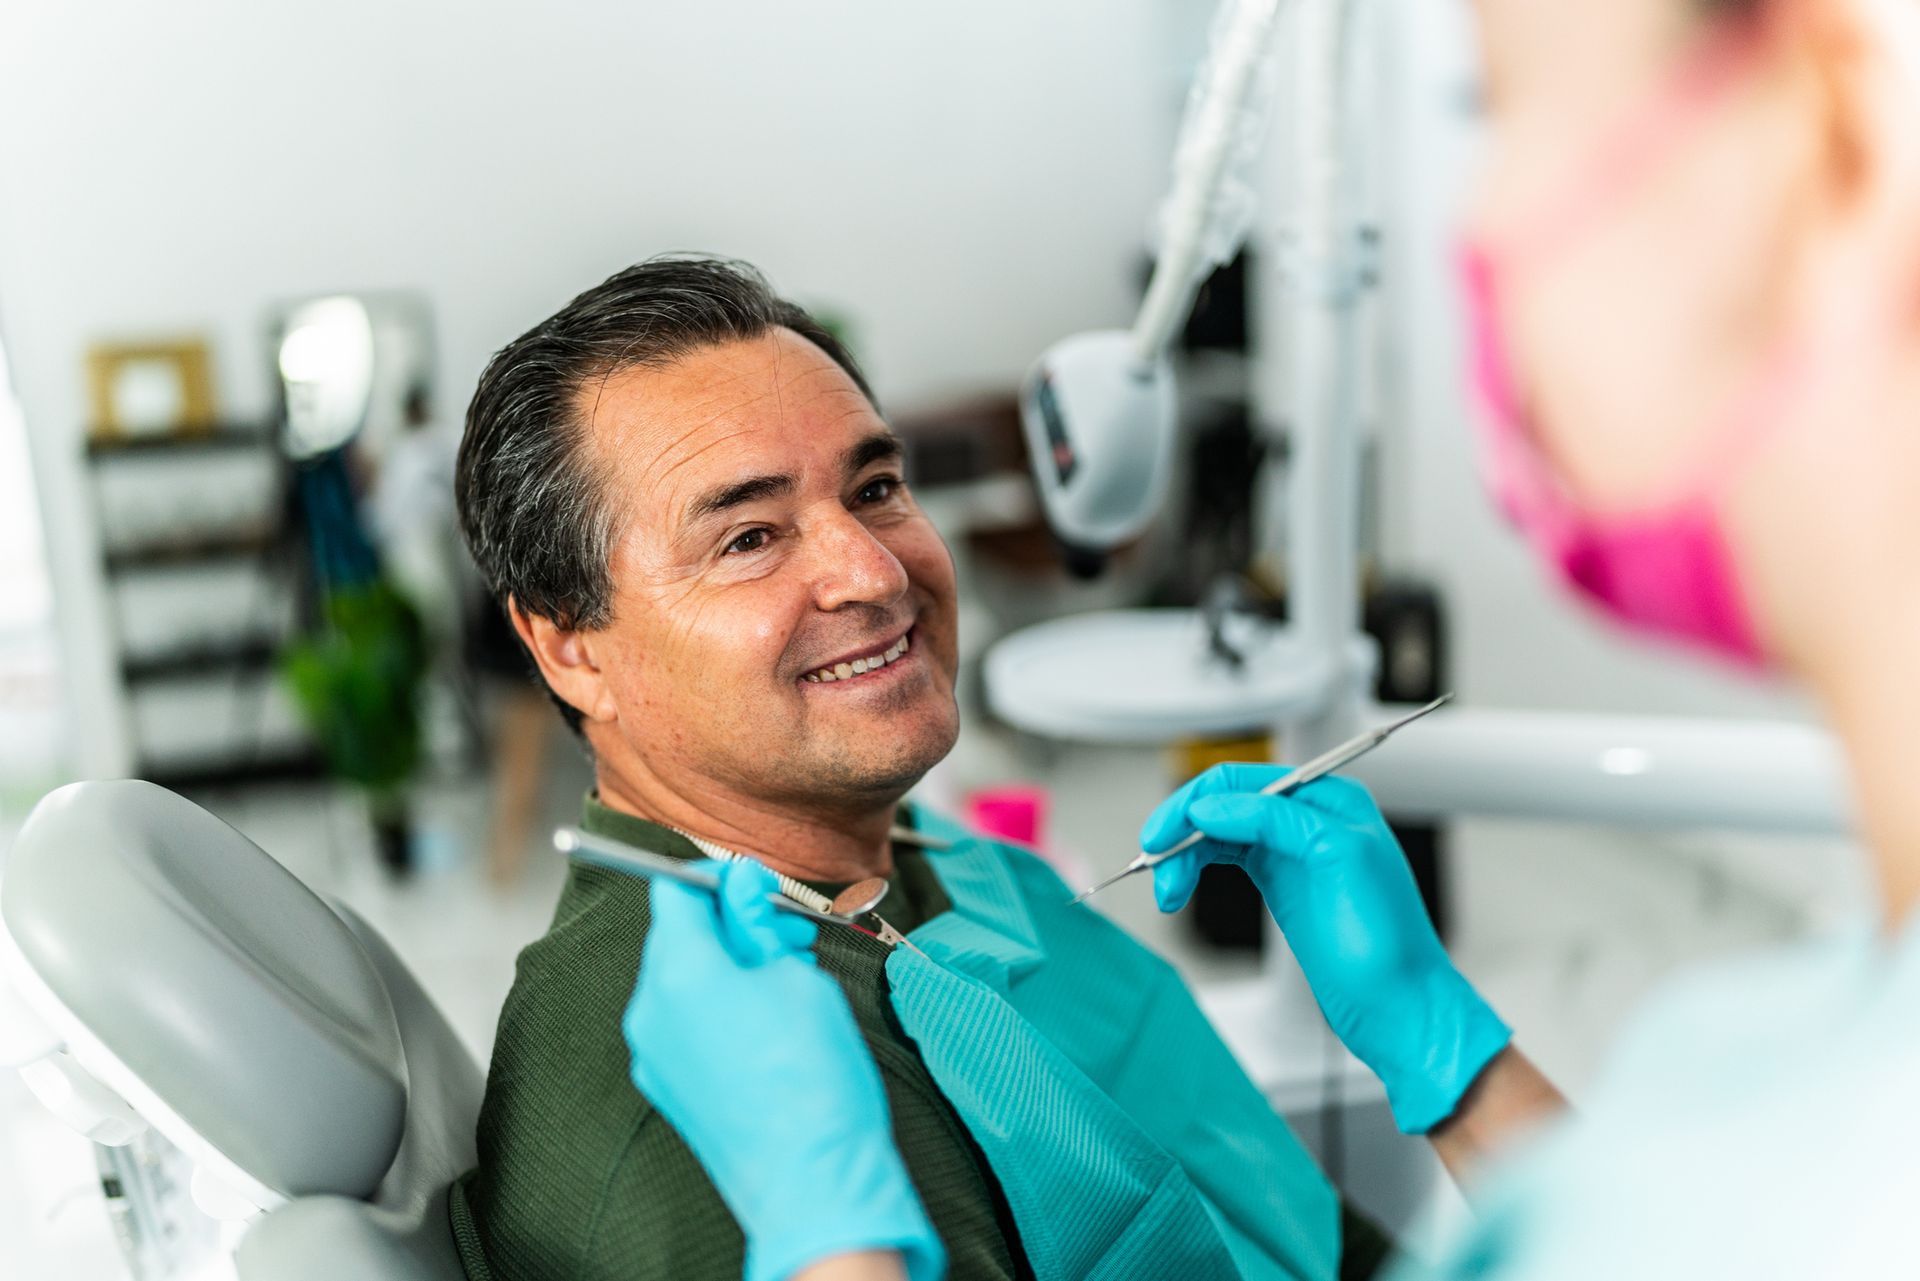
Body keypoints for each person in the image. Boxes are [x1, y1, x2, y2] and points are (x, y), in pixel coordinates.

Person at [621, 0, 1920, 1276]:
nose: (1480, 227)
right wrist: (1456, 1063)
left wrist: (830, 1240)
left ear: (1834, 131)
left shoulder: (1784, 1149)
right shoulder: (1771, 1119)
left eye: (1502, 115)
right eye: (745, 535)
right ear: (567, 643)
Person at [447, 256, 1392, 1281]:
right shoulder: (697, 1123)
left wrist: (1433, 1046)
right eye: (750, 537)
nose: (876, 569)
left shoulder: (931, 867)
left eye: (877, 489)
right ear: (570, 649)